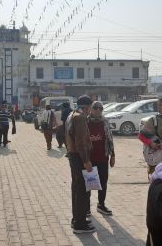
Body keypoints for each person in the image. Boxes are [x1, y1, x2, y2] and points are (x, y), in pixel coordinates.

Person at [65, 95, 96, 234]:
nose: (91, 110)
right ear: (86, 107)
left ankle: (77, 218)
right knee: (82, 190)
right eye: (91, 107)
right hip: (79, 156)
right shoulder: (80, 117)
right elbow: (81, 143)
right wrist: (86, 161)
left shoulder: (71, 115)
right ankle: (80, 224)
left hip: (73, 155)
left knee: (76, 188)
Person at [87, 101, 115, 216]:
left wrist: (113, 155)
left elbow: (110, 139)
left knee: (103, 183)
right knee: (89, 183)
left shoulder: (105, 122)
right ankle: (86, 207)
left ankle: (101, 205)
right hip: (90, 158)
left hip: (103, 158)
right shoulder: (85, 122)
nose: (98, 110)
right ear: (91, 109)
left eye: (100, 108)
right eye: (95, 108)